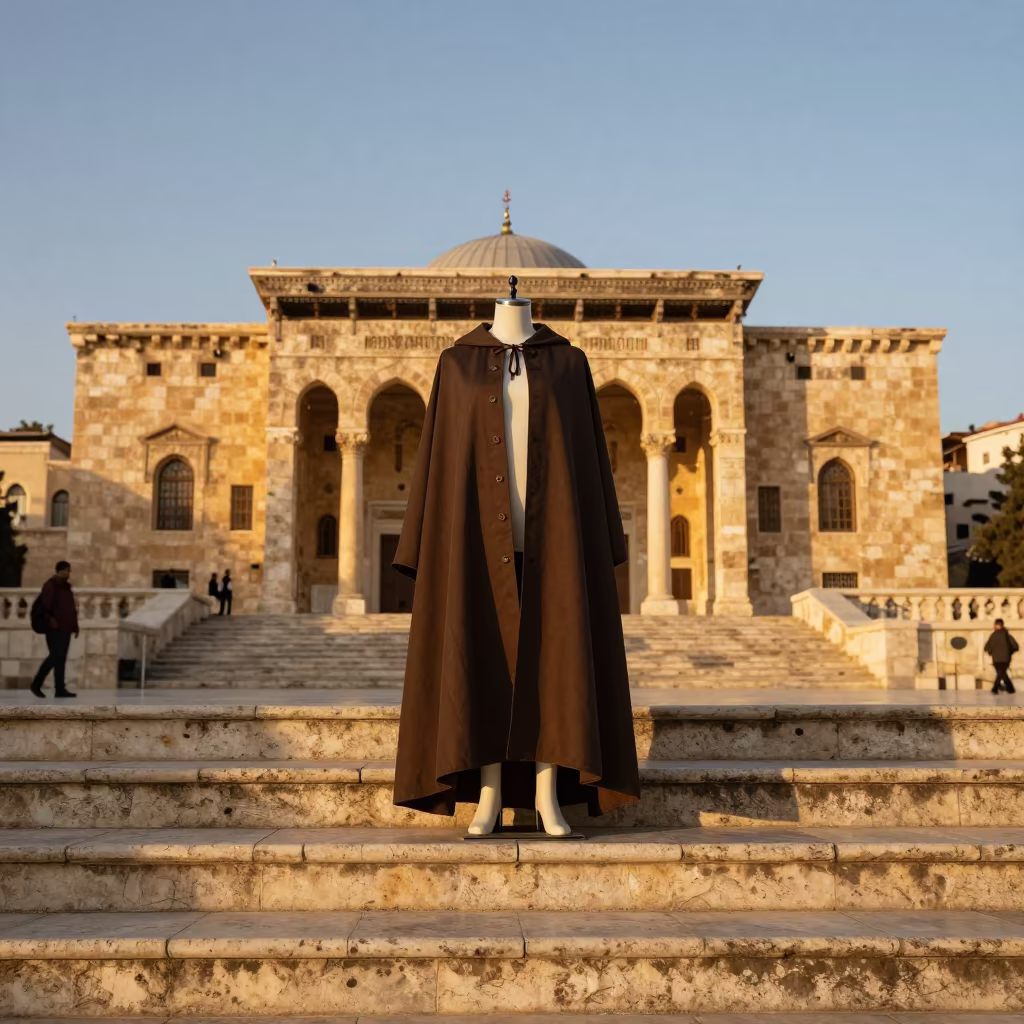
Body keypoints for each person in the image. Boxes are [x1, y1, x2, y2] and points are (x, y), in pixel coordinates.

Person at [30, 560, 79, 699]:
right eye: (67, 570)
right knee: (55, 656)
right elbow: (45, 607)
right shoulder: (51, 586)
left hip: (66, 628)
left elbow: (70, 608)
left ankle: (60, 689)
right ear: (60, 570)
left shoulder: (66, 588)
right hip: (55, 628)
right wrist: (51, 621)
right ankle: (36, 683)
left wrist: (75, 625)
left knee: (60, 659)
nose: (69, 573)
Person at [985, 618, 1019, 695]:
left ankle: (995, 688)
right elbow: (1015, 646)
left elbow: (987, 647)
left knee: (1000, 673)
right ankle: (1010, 689)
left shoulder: (994, 635)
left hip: (996, 658)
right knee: (1002, 673)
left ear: (997, 625)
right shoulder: (1007, 635)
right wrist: (1009, 653)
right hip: (1006, 659)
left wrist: (991, 652)